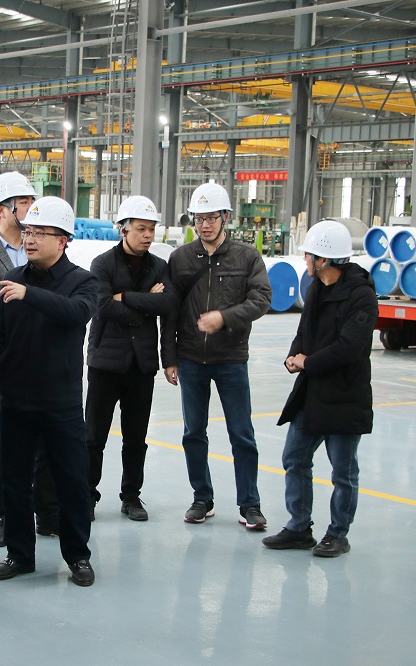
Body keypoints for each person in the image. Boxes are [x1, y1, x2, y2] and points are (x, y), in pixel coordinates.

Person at [0, 196, 98, 588]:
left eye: (40, 233)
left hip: (60, 403)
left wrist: (29, 294)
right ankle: (20, 555)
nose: (29, 239)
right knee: (14, 481)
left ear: (62, 240)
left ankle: (78, 556)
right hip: (15, 400)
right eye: (28, 231)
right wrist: (0, 369)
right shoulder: (13, 277)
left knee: (71, 482)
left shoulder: (82, 281)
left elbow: (76, 313)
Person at [262, 220, 376, 558]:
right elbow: (304, 332)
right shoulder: (315, 289)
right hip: (311, 393)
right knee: (294, 458)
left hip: (344, 395)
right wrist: (293, 356)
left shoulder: (361, 296)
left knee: (343, 472)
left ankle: (338, 534)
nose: (305, 260)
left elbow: (350, 348)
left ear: (324, 259)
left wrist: (307, 362)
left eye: (308, 255)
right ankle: (299, 528)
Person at [161, 182, 272, 528]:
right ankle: (201, 498)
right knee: (193, 432)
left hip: (231, 358)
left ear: (225, 217)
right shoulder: (180, 258)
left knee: (242, 433)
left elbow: (261, 299)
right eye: (199, 218)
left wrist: (225, 318)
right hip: (190, 358)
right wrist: (169, 358)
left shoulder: (247, 257)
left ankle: (249, 504)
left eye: (211, 217)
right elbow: (170, 311)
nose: (205, 225)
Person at [0, 171, 59, 547]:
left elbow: (60, 295)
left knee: (44, 442)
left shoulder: (43, 247)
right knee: (0, 447)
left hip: (42, 362)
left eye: (32, 201)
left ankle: (44, 511)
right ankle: (5, 516)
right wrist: (36, 318)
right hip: (0, 362)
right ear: (2, 210)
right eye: (23, 203)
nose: (31, 209)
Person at [85, 196, 176, 522]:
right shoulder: (102, 264)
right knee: (93, 437)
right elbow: (103, 307)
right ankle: (87, 495)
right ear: (123, 229)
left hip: (142, 364)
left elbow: (168, 305)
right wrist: (145, 303)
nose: (148, 235)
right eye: (141, 228)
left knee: (136, 438)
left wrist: (125, 297)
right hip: (106, 362)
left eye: (151, 229)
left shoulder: (159, 266)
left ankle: (131, 497)